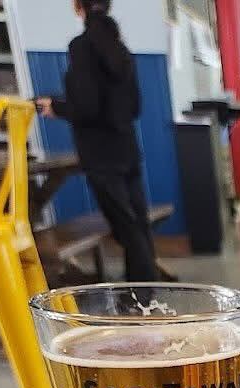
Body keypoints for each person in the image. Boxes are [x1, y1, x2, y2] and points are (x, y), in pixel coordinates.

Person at [37, 0, 159, 282]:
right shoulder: (120, 48)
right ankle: (148, 290)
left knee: (126, 227)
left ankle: (142, 297)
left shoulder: (82, 47)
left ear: (77, 6)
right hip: (126, 147)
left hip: (100, 154)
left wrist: (57, 107)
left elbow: (87, 106)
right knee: (137, 224)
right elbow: (134, 106)